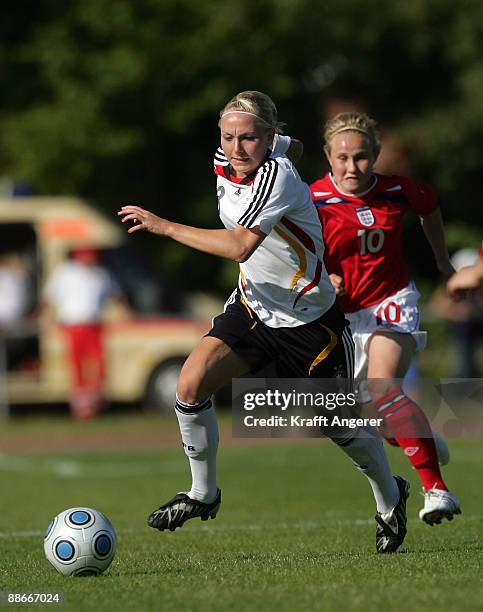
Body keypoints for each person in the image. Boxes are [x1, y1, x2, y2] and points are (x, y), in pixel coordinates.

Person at [119, 91, 410, 554]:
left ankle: (390, 498)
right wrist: (280, 140)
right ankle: (202, 494)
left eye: (248, 137)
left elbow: (239, 247)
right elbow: (288, 144)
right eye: (228, 135)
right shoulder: (241, 154)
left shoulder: (277, 176)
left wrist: (164, 226)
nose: (236, 147)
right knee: (190, 384)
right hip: (253, 306)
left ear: (266, 138)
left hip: (310, 321)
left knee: (339, 427)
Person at [310, 111, 461, 526]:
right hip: (343, 319)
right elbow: (294, 252)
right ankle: (424, 439)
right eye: (342, 158)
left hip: (392, 301)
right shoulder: (311, 200)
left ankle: (437, 490)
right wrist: (322, 277)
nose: (351, 166)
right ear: (328, 157)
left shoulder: (397, 191)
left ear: (375, 155)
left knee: (384, 387)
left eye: (360, 157)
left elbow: (429, 205)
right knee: (382, 421)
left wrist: (442, 260)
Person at [42, 247, 122, 420]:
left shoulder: (102, 274)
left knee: (98, 363)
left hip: (94, 325)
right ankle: (81, 406)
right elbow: (50, 298)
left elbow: (116, 297)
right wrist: (47, 320)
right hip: (72, 325)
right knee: (76, 364)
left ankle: (96, 401)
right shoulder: (65, 272)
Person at [431, 248, 483, 377]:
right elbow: (437, 307)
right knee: (463, 366)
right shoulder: (449, 287)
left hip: (478, 326)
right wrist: (456, 313)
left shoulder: (478, 288)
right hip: (462, 331)